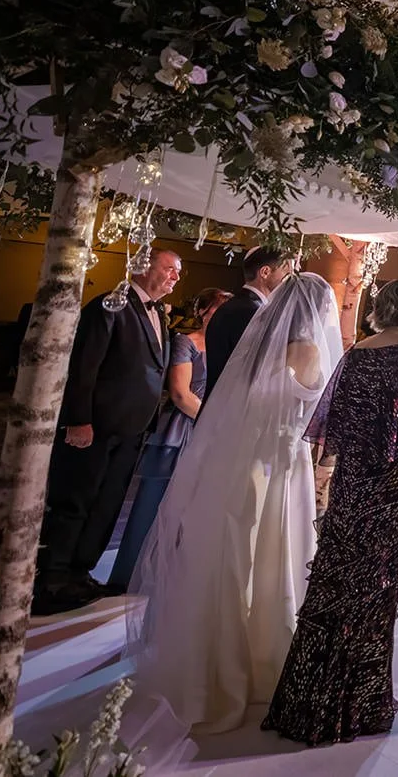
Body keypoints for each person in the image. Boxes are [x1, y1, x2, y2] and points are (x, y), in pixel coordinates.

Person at [128, 272, 343, 731]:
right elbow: (316, 413)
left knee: (236, 557)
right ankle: (263, 659)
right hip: (280, 464)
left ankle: (218, 658)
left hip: (244, 458)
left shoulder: (260, 343)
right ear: (316, 310)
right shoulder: (308, 350)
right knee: (270, 558)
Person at [263, 279, 398, 745]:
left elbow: (335, 425)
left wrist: (331, 467)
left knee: (337, 576)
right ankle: (359, 703)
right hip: (391, 481)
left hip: (352, 478)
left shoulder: (357, 353)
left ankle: (307, 699)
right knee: (376, 583)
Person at [33, 247, 182, 616]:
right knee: (74, 501)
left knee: (106, 506)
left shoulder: (159, 315)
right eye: (170, 269)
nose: (176, 277)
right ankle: (50, 580)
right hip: (95, 426)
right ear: (144, 267)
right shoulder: (111, 305)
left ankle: (79, 572)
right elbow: (84, 365)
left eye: (178, 272)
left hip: (132, 431)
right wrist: (78, 419)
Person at [107, 286, 231, 593]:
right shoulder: (185, 342)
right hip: (185, 428)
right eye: (218, 309)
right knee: (154, 503)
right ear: (202, 311)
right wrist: (214, 421)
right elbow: (180, 394)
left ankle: (175, 578)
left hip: (216, 433)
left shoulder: (232, 347)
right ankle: (131, 575)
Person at [203, 245, 295, 394]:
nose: (287, 281)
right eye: (286, 274)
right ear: (265, 272)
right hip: (233, 401)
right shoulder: (253, 312)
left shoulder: (235, 305)